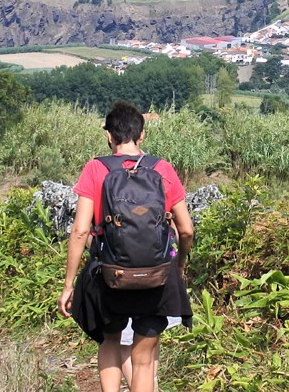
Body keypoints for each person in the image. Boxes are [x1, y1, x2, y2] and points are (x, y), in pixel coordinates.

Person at [60, 102, 196, 392]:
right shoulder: (162, 169)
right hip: (158, 277)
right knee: (143, 359)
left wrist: (69, 284)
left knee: (111, 341)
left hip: (109, 276)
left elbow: (81, 230)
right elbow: (186, 229)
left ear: (108, 135)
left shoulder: (95, 169)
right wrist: (179, 265)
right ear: (142, 135)